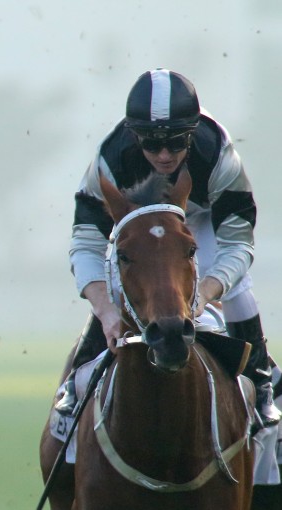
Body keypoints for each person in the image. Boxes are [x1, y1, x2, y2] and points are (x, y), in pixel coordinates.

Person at [56, 68, 281, 428]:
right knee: (121, 280)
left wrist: (205, 294)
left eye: (177, 142)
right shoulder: (110, 160)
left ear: (192, 134)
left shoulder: (217, 152)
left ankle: (260, 383)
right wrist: (105, 310)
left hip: (200, 218)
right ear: (134, 136)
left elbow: (238, 241)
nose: (164, 154)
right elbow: (85, 241)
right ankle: (79, 379)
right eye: (151, 142)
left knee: (235, 283)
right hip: (139, 222)